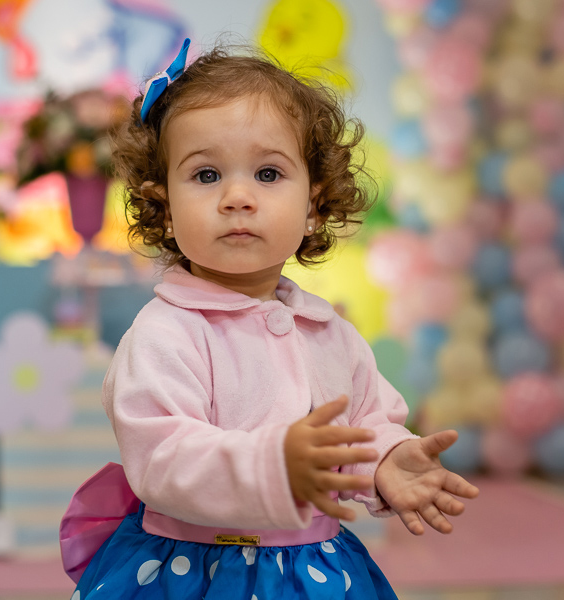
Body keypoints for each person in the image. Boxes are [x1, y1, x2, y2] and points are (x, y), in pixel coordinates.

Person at [59, 38, 479, 600]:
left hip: (314, 569)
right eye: (206, 176)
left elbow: (363, 424)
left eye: (268, 174)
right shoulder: (166, 333)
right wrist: (273, 465)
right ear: (164, 205)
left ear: (313, 205)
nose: (237, 196)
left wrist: (388, 457)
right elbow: (162, 458)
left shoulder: (328, 332)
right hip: (193, 571)